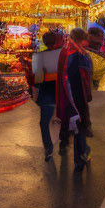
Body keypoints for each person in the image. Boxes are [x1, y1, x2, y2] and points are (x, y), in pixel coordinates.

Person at [58, 28, 93, 172]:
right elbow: (87, 75)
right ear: (81, 39)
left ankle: (66, 144)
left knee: (72, 122)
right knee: (80, 125)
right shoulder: (80, 54)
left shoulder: (65, 50)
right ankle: (80, 157)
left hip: (66, 93)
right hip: (77, 95)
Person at [31, 32, 62, 161]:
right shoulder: (64, 54)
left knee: (44, 123)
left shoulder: (40, 56)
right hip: (62, 90)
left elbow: (37, 77)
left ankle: (48, 148)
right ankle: (64, 143)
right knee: (67, 121)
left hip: (48, 91)